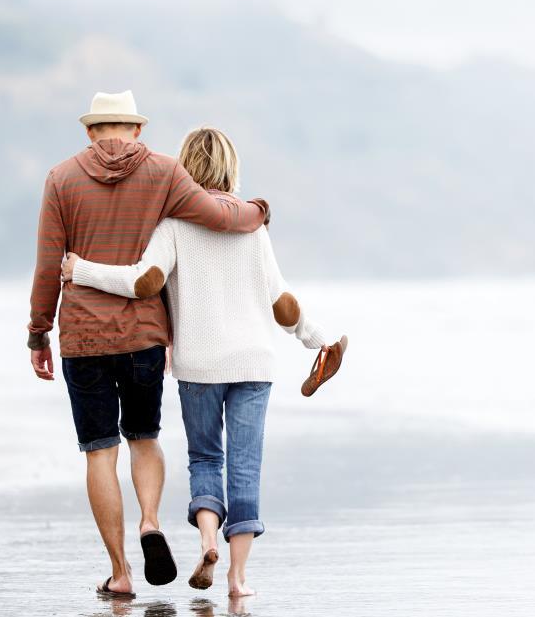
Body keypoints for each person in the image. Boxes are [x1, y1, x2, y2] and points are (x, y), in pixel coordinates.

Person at [63, 127, 348, 597]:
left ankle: (209, 542)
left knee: (206, 458)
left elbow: (142, 283)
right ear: (231, 169)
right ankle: (237, 579)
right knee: (245, 463)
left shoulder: (172, 228)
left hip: (198, 366)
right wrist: (317, 339)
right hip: (253, 364)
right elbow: (282, 304)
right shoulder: (253, 229)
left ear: (183, 171)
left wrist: (80, 270)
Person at [27, 92, 270, 598]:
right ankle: (151, 522)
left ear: (91, 132)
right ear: (135, 131)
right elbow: (220, 217)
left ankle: (120, 573)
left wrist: (37, 332)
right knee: (144, 438)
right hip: (143, 336)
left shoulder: (60, 179)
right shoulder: (163, 172)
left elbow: (49, 265)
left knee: (99, 452)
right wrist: (260, 210)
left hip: (82, 336)